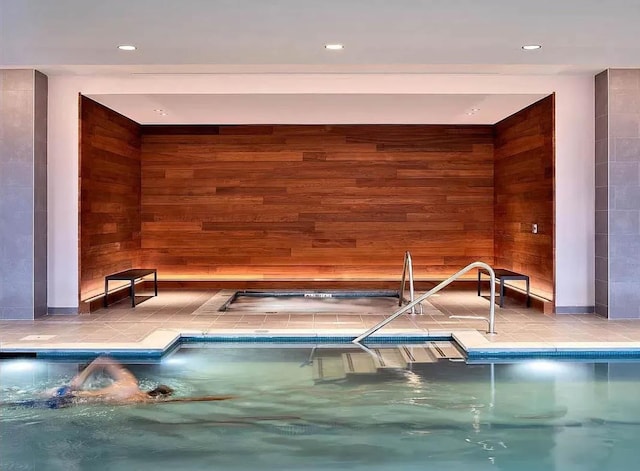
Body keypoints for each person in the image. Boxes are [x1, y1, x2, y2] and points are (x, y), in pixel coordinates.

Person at [3, 356, 235, 409]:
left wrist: (79, 380)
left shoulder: (130, 383)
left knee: (12, 399)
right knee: (11, 405)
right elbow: (186, 400)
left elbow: (103, 358)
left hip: (67, 393)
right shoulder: (134, 397)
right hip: (66, 400)